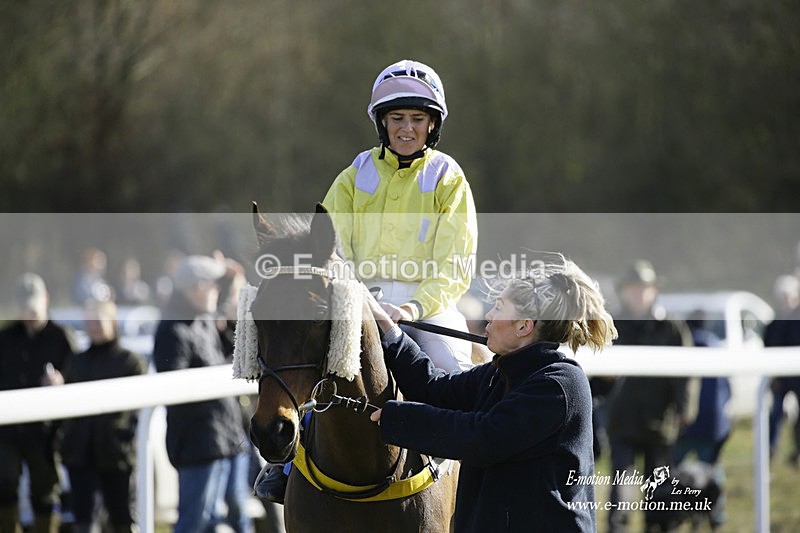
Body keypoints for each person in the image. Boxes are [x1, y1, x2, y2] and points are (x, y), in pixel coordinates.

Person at [363, 255, 616, 532]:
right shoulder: (500, 372)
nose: (489, 316)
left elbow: (481, 438)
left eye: (498, 308)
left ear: (524, 326)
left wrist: (399, 417)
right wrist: (390, 332)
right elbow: (435, 389)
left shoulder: (558, 384)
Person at [322, 58, 478, 374]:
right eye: (397, 118)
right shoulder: (354, 174)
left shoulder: (448, 177)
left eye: (417, 118)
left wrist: (412, 307)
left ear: (432, 124)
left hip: (429, 309)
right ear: (383, 122)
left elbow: (456, 263)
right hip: (360, 300)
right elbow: (332, 248)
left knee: (453, 369)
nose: (407, 129)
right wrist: (359, 297)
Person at [152, 255, 253, 533]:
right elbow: (176, 387)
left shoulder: (203, 316)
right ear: (197, 287)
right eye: (213, 285)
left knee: (238, 519)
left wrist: (232, 277)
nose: (217, 292)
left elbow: (231, 335)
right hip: (200, 445)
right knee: (195, 524)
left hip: (228, 437)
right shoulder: (172, 329)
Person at [605, 260, 693, 533]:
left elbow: (686, 370)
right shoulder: (613, 324)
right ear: (623, 291)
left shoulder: (671, 326)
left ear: (654, 290)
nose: (638, 294)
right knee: (620, 487)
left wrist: (684, 409)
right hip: (622, 419)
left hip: (660, 420)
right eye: (633, 288)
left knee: (659, 486)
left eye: (644, 288)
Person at [59, 299, 148, 533]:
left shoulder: (131, 362)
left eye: (99, 320)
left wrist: (121, 439)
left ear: (113, 322)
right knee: (84, 522)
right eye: (89, 321)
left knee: (122, 520)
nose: (94, 326)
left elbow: (136, 413)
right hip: (80, 456)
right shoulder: (76, 361)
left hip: (116, 457)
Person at [0, 273, 76, 533]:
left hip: (45, 431)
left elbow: (78, 377)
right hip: (8, 428)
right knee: (4, 484)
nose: (29, 314)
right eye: (24, 308)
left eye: (33, 307)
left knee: (45, 490)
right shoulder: (7, 337)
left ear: (45, 300)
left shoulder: (62, 338)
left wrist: (62, 382)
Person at [672, 310, 731, 529]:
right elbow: (727, 388)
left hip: (685, 423)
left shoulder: (682, 347)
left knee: (675, 473)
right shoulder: (717, 346)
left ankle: (675, 513)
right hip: (714, 424)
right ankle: (717, 515)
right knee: (713, 470)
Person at [764, 274, 800, 464]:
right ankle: (771, 448)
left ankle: (797, 451)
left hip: (798, 376)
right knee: (775, 414)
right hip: (780, 378)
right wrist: (774, 376)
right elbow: (769, 348)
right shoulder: (774, 323)